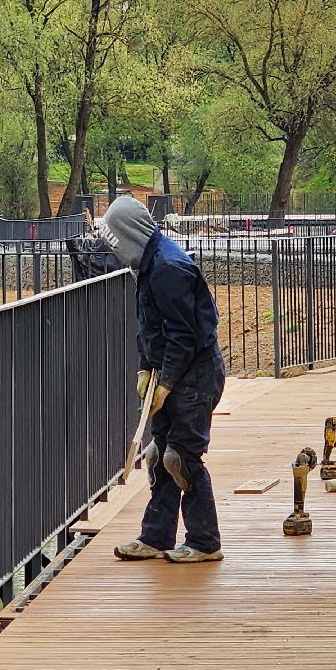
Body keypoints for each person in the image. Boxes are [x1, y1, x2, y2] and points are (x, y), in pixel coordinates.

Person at [100, 196, 226, 563]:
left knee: (181, 457)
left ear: (128, 235)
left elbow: (184, 335)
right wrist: (145, 369)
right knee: (159, 456)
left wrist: (167, 383)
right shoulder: (147, 264)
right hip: (170, 370)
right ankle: (156, 538)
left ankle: (205, 542)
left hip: (196, 374)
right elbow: (150, 327)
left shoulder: (170, 268)